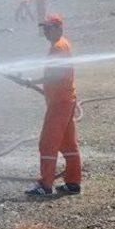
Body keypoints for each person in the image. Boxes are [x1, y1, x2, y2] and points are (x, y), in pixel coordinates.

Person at [22, 14, 81, 197]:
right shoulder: (60, 45)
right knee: (68, 144)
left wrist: (34, 81)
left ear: (58, 28)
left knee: (47, 143)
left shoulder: (58, 48)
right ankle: (73, 183)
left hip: (60, 103)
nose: (46, 32)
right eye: (44, 29)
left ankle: (45, 185)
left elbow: (56, 76)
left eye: (49, 28)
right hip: (64, 101)